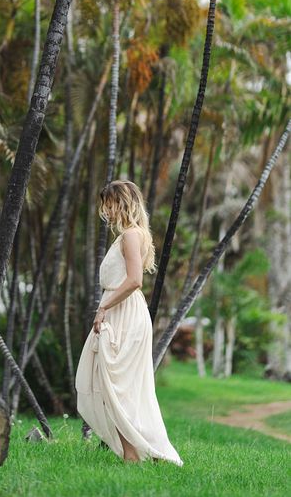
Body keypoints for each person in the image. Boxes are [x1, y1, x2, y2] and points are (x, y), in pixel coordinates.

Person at [75, 179, 184, 466]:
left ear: (122, 203)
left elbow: (135, 280)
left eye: (109, 204)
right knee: (114, 385)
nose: (106, 211)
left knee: (118, 387)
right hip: (119, 311)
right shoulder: (129, 235)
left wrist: (103, 307)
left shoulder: (131, 236)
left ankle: (136, 454)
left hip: (124, 313)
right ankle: (136, 452)